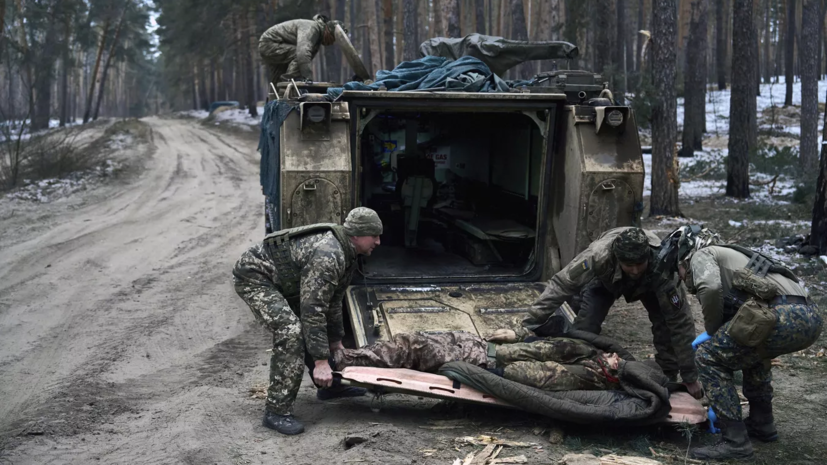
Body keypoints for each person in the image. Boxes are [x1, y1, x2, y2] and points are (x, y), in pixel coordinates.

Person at [664, 225, 823, 461]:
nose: (681, 275)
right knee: (751, 348)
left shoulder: (702, 254)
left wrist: (712, 330)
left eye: (678, 268)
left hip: (780, 315)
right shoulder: (736, 256)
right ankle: (762, 424)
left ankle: (734, 441)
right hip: (810, 316)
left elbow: (710, 287)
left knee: (708, 356)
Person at [489, 227, 702, 398]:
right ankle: (579, 373)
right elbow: (561, 286)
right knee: (584, 330)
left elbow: (680, 322)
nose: (635, 270)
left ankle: (666, 377)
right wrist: (524, 327)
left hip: (650, 285)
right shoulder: (598, 256)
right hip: (605, 282)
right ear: (618, 259)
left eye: (639, 264)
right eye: (629, 265)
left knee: (665, 327)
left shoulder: (662, 268)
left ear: (648, 257)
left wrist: (690, 376)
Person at [232, 207, 383, 435]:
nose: (379, 242)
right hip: (256, 277)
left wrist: (336, 342)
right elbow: (313, 309)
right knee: (291, 331)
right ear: (357, 235)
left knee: (312, 329)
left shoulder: (348, 252)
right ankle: (277, 411)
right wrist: (321, 361)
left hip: (285, 281)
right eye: (375, 236)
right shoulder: (329, 254)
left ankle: (330, 388)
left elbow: (333, 301)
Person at [334, 331, 623, 392]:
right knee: (412, 341)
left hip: (483, 358)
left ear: (612, 374)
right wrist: (515, 334)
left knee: (412, 348)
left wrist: (495, 371)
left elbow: (539, 376)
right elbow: (545, 341)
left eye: (617, 361)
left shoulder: (586, 374)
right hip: (483, 345)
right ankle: (347, 357)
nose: (615, 356)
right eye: (614, 354)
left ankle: (343, 360)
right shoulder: (586, 351)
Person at [258, 14, 339, 84]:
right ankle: (289, 81)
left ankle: (276, 98)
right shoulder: (312, 28)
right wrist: (307, 78)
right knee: (298, 54)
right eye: (333, 38)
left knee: (279, 77)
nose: (332, 43)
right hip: (270, 43)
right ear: (328, 31)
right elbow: (302, 54)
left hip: (272, 44)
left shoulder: (318, 36)